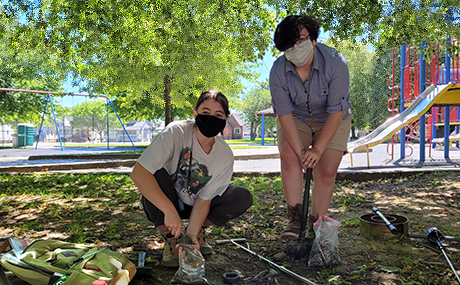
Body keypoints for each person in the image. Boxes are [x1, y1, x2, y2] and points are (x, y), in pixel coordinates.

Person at [130, 89, 253, 268]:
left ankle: (197, 233)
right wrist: (169, 210)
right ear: (195, 114)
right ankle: (171, 238)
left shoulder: (224, 156)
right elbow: (138, 174)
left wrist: (192, 235)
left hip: (198, 204)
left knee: (242, 196)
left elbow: (204, 201)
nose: (211, 118)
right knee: (153, 176)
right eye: (205, 113)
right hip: (170, 198)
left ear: (226, 120)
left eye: (218, 114)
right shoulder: (176, 132)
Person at [269, 15, 352, 239]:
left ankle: (317, 224)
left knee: (326, 170)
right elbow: (285, 115)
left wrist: (317, 150)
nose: (296, 48)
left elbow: (337, 111)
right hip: (298, 118)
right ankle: (295, 220)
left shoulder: (336, 63)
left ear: (313, 40)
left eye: (301, 40)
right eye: (289, 44)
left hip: (333, 119)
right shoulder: (278, 71)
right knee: (290, 156)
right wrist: (301, 152)